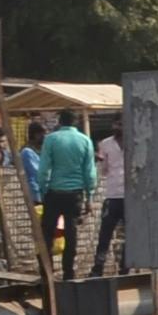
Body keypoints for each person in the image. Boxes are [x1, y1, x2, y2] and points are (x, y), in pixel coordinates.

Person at [33, 112, 101, 275]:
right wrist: (89, 197)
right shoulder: (85, 141)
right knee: (71, 233)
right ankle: (68, 272)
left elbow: (43, 170)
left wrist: (43, 190)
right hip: (75, 195)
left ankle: (46, 272)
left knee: (47, 233)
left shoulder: (51, 139)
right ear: (76, 123)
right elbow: (90, 172)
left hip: (54, 193)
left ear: (60, 122)